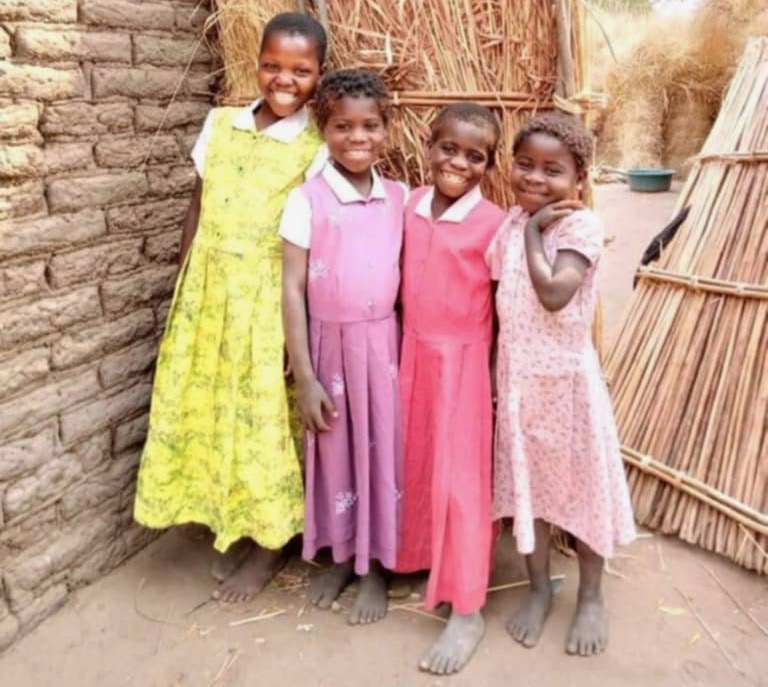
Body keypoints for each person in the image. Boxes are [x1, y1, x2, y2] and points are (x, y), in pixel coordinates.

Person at [134, 12, 328, 603]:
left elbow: (316, 243)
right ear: (256, 63)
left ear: (319, 75)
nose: (284, 79)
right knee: (214, 409)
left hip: (266, 301)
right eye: (272, 65)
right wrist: (184, 280)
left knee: (264, 417)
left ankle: (272, 544)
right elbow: (197, 205)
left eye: (301, 70)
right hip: (207, 292)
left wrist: (303, 333)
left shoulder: (317, 145)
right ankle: (233, 521)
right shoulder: (219, 125)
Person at [487, 112, 635, 656]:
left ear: (580, 179)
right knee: (531, 490)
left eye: (553, 170)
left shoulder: (579, 228)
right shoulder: (506, 223)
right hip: (520, 384)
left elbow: (553, 294)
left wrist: (532, 230)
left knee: (581, 489)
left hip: (568, 386)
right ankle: (539, 589)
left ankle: (591, 596)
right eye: (525, 164)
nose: (534, 178)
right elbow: (499, 302)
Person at [281, 69, 406, 625]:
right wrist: (304, 375)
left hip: (383, 348)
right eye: (343, 126)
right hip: (328, 349)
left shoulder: (399, 198)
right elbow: (291, 286)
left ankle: (375, 567)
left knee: (382, 450)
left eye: (370, 126)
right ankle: (337, 555)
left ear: (387, 129)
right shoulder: (306, 199)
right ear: (322, 128)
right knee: (332, 453)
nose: (358, 138)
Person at [397, 103, 506, 675]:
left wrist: (493, 376)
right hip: (413, 353)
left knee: (463, 481)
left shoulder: (494, 223)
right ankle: (421, 562)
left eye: (475, 156)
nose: (457, 162)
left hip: (463, 363)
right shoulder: (409, 204)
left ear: (488, 165)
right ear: (428, 142)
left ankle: (467, 606)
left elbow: (506, 308)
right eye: (448, 148)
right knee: (417, 464)